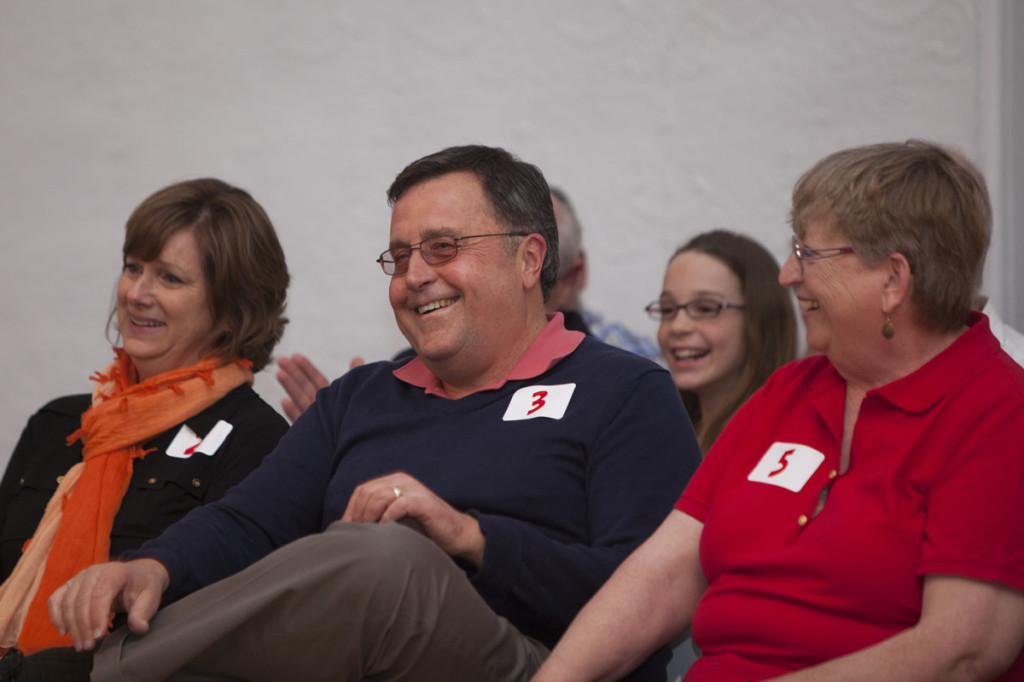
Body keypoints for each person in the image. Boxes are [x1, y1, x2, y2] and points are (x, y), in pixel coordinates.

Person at [47, 145, 700, 682]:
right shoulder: (361, 397)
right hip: (354, 662)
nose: (414, 276)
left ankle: (85, 676)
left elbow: (646, 594)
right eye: (399, 256)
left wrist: (469, 537)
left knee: (386, 559)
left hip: (542, 665)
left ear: (528, 259)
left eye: (442, 247)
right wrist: (152, 567)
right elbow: (250, 521)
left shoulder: (625, 392)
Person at [531, 139, 1024, 682]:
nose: (788, 274)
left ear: (892, 280)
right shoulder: (790, 390)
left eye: (808, 254)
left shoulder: (998, 414)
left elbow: (964, 650)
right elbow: (661, 576)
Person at [0, 178, 291, 674]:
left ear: (231, 305)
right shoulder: (59, 423)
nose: (137, 293)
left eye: (169, 278)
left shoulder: (258, 441)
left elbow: (208, 642)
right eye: (133, 268)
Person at [646, 230, 796, 454]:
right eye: (668, 309)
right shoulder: (654, 430)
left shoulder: (781, 443)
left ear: (760, 318)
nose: (678, 326)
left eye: (706, 308)